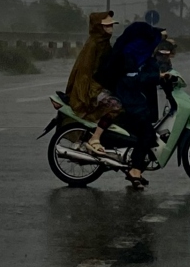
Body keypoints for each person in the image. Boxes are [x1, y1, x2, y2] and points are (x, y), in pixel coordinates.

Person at [96, 21, 167, 188]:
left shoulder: (136, 54)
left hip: (132, 100)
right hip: (128, 102)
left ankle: (137, 167)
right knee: (148, 135)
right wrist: (158, 77)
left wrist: (161, 75)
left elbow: (146, 70)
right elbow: (133, 79)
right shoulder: (129, 55)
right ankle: (135, 170)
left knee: (146, 131)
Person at [63, 11, 121, 155]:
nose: (110, 28)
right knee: (115, 106)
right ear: (98, 27)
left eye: (111, 25)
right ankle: (95, 138)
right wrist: (85, 96)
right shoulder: (93, 44)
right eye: (107, 26)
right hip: (91, 89)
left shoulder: (104, 43)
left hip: (99, 86)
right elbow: (84, 72)